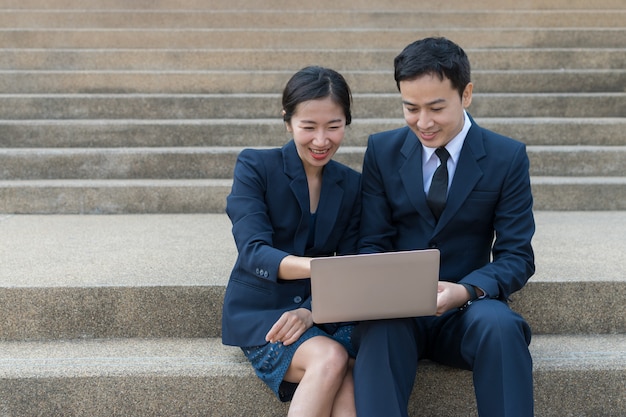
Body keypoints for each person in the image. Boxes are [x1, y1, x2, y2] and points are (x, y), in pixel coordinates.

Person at [353, 37, 535, 417]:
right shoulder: (381, 152)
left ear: (466, 94)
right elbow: (371, 241)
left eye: (436, 107)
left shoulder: (506, 157)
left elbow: (516, 255)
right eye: (411, 108)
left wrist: (466, 290)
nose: (423, 122)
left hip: (469, 310)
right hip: (398, 313)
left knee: (501, 327)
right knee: (379, 330)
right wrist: (389, 287)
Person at [222, 66, 361, 416]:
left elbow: (354, 259)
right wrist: (323, 269)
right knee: (333, 358)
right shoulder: (255, 166)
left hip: (324, 310)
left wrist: (311, 310)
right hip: (264, 314)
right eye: (308, 127)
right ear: (287, 121)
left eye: (334, 126)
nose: (321, 140)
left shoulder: (352, 184)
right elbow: (254, 251)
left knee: (347, 371)